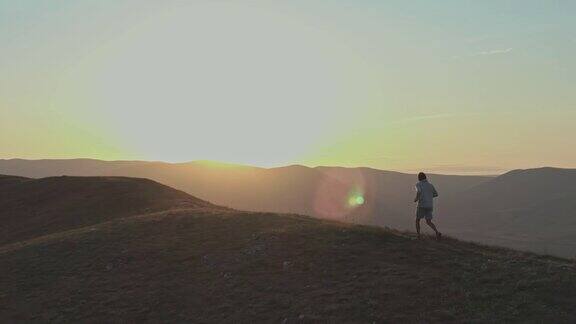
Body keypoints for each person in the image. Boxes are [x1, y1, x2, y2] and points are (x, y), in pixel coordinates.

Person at [414, 172, 441, 240]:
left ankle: (418, 235)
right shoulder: (430, 185)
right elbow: (436, 194)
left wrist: (416, 199)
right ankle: (437, 232)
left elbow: (419, 192)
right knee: (428, 221)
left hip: (422, 205)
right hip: (429, 205)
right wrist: (429, 196)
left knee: (417, 220)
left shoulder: (418, 184)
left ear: (419, 178)